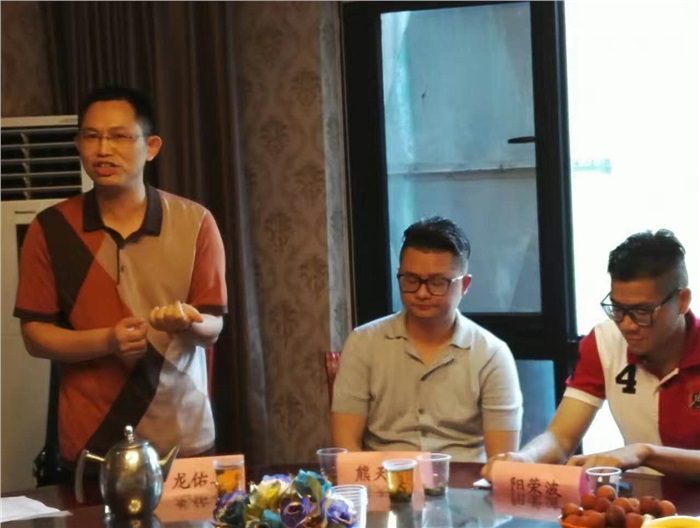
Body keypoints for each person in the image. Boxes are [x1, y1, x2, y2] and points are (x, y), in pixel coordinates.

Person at [13, 86, 227, 471]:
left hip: (182, 433)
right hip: (90, 441)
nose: (103, 149)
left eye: (120, 136)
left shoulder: (196, 222)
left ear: (152, 147)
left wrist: (187, 321)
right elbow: (35, 336)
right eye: (91, 136)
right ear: (78, 145)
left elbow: (213, 327)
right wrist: (107, 341)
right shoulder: (50, 228)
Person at [482, 229, 700, 481]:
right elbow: (560, 438)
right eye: (617, 308)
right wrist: (526, 458)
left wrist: (644, 453)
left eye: (642, 311)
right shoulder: (605, 341)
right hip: (645, 500)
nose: (627, 325)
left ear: (682, 301)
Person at [331, 216, 523, 462]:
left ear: (465, 285)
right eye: (411, 280)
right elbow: (346, 447)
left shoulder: (492, 354)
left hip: (464, 479)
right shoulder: (363, 342)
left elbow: (502, 460)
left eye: (437, 283)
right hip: (383, 477)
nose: (421, 293)